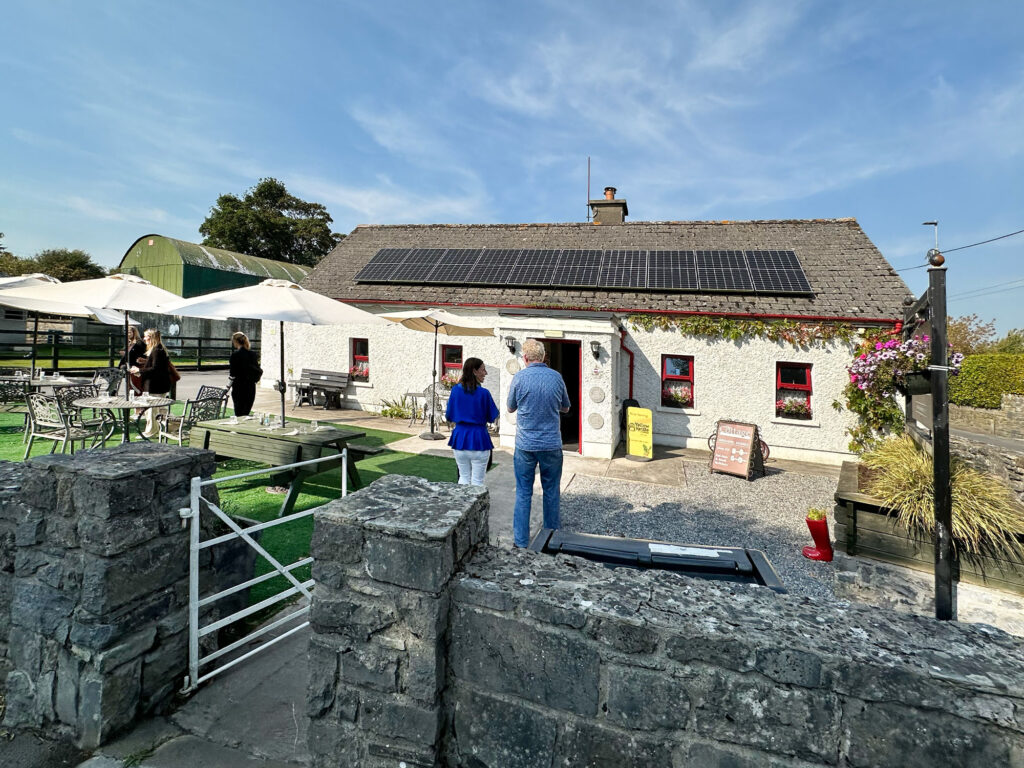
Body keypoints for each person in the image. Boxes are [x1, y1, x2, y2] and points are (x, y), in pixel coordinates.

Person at [506, 339, 571, 548]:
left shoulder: (519, 378)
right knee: (551, 491)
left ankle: (521, 542)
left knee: (524, 492)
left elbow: (510, 408)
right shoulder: (556, 377)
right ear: (543, 357)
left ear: (525, 358)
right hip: (551, 443)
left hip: (526, 444)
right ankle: (551, 539)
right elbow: (566, 407)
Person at [445, 357, 499, 485]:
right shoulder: (484, 393)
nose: (485, 373)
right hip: (479, 438)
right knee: (478, 481)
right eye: (483, 370)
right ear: (474, 371)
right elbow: (492, 417)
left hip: (459, 438)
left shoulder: (455, 390)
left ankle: (462, 505)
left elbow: (449, 415)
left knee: (463, 478)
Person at [130, 328, 171, 439]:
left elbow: (155, 369)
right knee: (158, 410)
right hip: (159, 384)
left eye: (146, 336)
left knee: (151, 410)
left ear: (152, 337)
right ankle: (165, 429)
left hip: (156, 385)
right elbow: (156, 365)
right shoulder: (157, 349)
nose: (144, 339)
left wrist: (139, 370)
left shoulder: (157, 350)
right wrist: (144, 363)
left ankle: (151, 432)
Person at [228, 332, 262, 417]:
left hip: (238, 387)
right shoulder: (252, 354)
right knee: (246, 412)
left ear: (235, 342)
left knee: (238, 412)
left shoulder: (235, 355)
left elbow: (232, 374)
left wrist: (228, 386)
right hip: (250, 386)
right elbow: (257, 369)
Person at [118, 325, 146, 394]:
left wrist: (127, 354)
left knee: (136, 389)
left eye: (129, 332)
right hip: (129, 369)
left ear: (134, 333)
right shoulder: (129, 343)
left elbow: (140, 356)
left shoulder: (140, 343)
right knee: (130, 389)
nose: (127, 334)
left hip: (136, 369)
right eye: (126, 332)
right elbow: (129, 355)